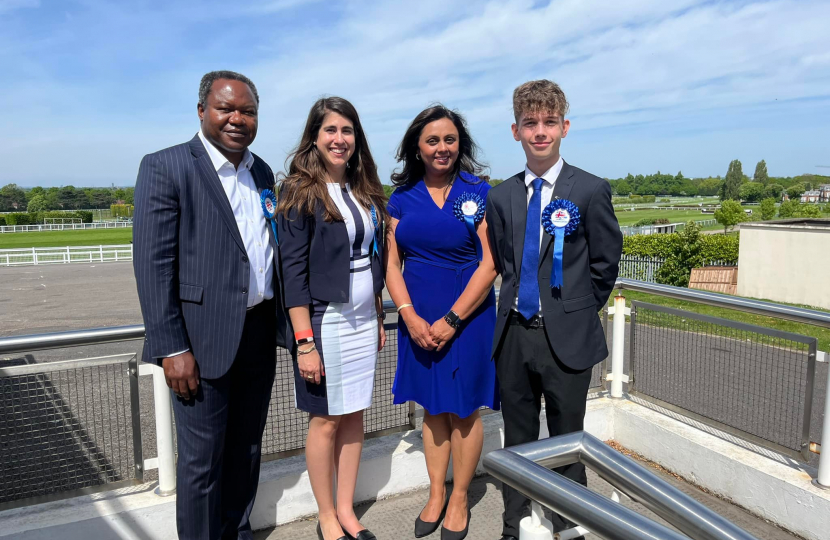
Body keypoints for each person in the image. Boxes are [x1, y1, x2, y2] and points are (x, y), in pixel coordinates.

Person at [133, 70, 289, 540]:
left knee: (246, 449)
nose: (237, 118)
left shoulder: (261, 171)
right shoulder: (167, 166)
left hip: (257, 335)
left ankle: (236, 532)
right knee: (202, 463)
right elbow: (153, 266)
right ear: (202, 111)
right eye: (227, 108)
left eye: (248, 110)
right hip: (199, 344)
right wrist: (170, 346)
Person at [485, 80, 622, 540]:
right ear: (515, 130)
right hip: (514, 338)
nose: (539, 132)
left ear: (564, 127)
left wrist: (574, 312)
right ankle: (515, 526)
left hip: (566, 339)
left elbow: (605, 263)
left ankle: (570, 524)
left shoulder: (590, 189)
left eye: (548, 123)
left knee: (568, 442)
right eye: (530, 123)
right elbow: (506, 262)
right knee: (517, 442)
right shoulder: (501, 197)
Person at [385, 105, 499, 540]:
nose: (442, 148)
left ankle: (459, 497)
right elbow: (392, 264)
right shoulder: (402, 197)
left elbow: (490, 264)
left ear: (460, 144)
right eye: (432, 140)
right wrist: (409, 316)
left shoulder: (478, 191)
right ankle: (436, 492)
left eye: (449, 139)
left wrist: (453, 318)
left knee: (464, 410)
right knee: (433, 408)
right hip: (417, 315)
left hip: (468, 316)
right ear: (417, 145)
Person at [277, 97, 387, 540]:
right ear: (315, 137)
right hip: (325, 323)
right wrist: (304, 341)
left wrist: (378, 316)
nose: (340, 139)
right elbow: (292, 273)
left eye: (347, 131)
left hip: (364, 321)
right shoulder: (300, 190)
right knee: (325, 420)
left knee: (355, 414)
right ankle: (326, 515)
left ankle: (346, 508)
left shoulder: (364, 188)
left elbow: (373, 258)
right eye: (331, 130)